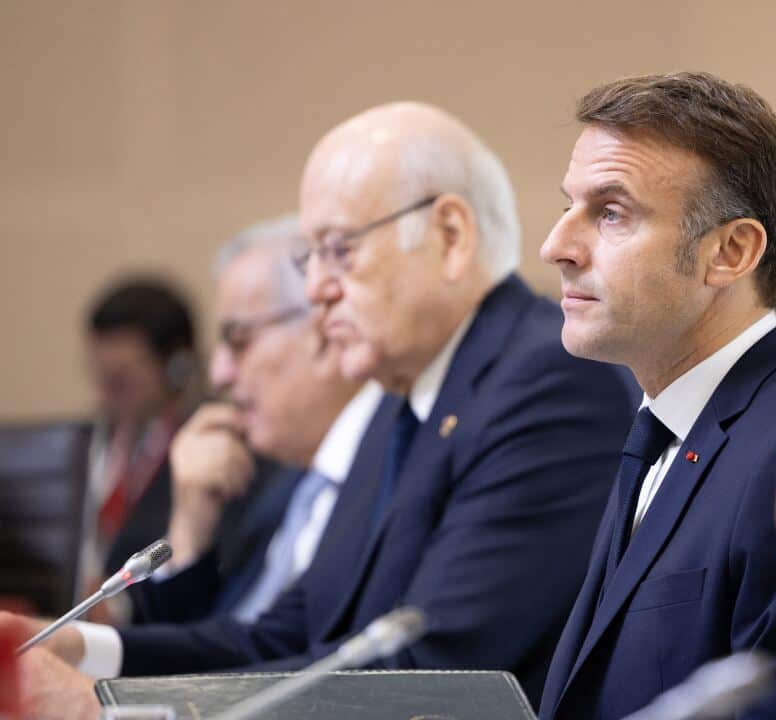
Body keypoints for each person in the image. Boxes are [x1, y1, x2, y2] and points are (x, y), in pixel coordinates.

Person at [0, 102, 635, 712]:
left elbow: (432, 674)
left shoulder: (550, 382)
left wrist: (105, 706)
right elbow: (286, 635)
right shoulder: (401, 399)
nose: (315, 289)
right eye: (311, 258)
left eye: (338, 249)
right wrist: (79, 649)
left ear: (449, 236)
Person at [538, 72, 776, 719]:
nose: (557, 247)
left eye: (611, 213)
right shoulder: (667, 425)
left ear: (731, 251)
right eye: (568, 206)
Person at [128, 216, 380, 626]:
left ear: (323, 329)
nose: (219, 375)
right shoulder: (272, 485)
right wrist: (190, 530)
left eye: (239, 340)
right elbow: (212, 649)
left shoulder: (395, 477)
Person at [82, 277, 200, 618]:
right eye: (102, 376)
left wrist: (118, 607)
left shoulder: (200, 448)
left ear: (177, 367)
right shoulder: (89, 447)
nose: (109, 394)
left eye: (123, 379)